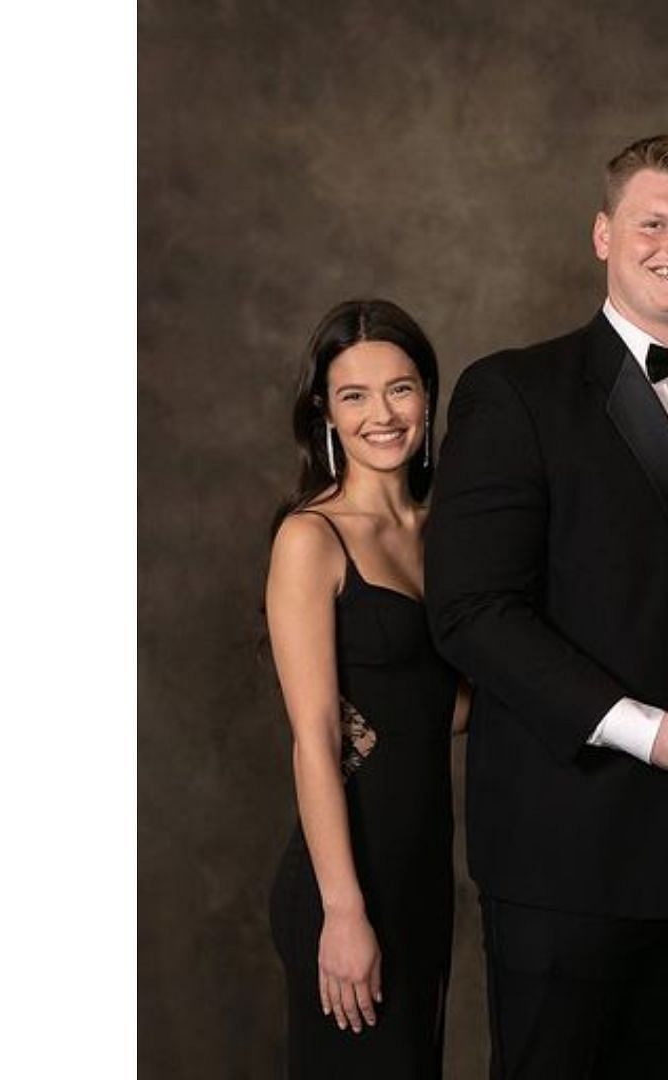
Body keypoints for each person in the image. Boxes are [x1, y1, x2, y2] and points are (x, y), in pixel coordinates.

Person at [424, 135, 668, 1079]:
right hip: (572, 848)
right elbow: (472, 610)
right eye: (653, 222)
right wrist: (642, 731)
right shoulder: (515, 392)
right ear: (603, 236)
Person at [265, 298, 466, 1077]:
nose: (382, 415)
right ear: (326, 412)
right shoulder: (310, 538)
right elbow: (314, 736)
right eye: (355, 395)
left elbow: (434, 709)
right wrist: (344, 912)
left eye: (401, 389)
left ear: (427, 396)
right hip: (343, 880)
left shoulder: (441, 528)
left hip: (423, 867)